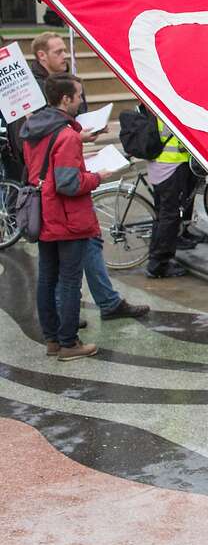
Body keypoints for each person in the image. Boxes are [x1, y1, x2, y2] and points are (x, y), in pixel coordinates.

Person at [24, 32, 148, 319]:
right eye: (57, 52)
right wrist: (96, 175)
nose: (64, 56)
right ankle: (65, 326)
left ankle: (97, 306)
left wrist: (82, 137)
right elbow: (56, 157)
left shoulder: (61, 90)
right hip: (57, 195)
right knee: (64, 273)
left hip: (57, 186)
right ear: (41, 56)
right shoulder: (36, 92)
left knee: (79, 251)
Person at [21, 74, 114, 361]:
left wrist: (79, 146)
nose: (81, 101)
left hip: (44, 214)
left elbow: (47, 166)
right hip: (66, 218)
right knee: (70, 280)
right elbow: (69, 184)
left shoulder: (35, 128)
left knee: (47, 277)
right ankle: (69, 343)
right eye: (79, 96)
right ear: (65, 99)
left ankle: (52, 340)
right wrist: (97, 176)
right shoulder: (67, 136)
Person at [145, 112, 197, 278]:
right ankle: (158, 264)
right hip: (170, 166)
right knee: (170, 216)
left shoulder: (154, 106)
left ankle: (156, 258)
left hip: (159, 167)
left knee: (162, 215)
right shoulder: (167, 107)